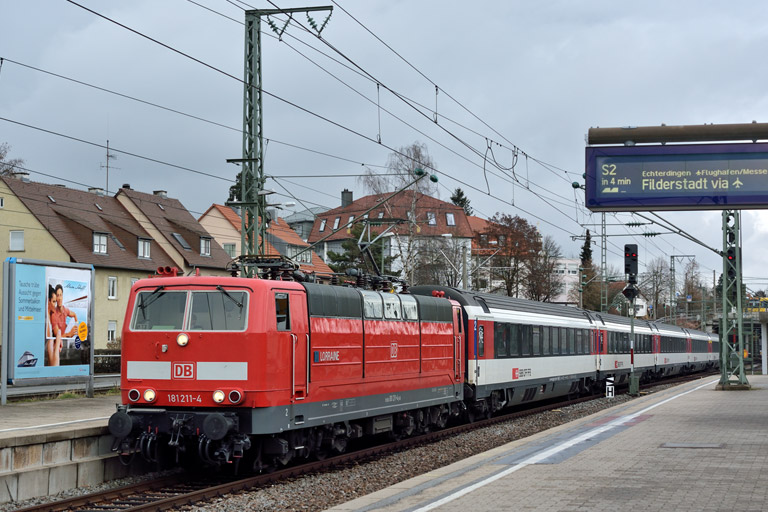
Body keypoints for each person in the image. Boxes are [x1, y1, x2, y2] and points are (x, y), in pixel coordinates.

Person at [45, 285, 61, 366]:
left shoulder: (49, 317)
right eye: (54, 301)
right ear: (48, 301)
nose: (55, 305)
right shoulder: (46, 319)